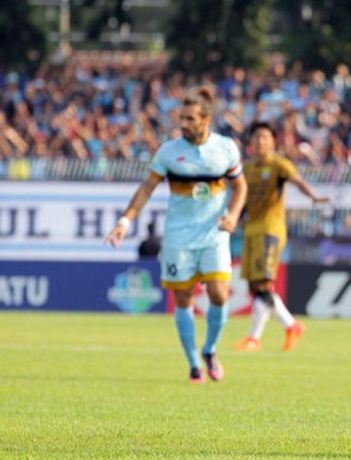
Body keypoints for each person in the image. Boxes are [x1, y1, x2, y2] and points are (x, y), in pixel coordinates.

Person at [105, 86, 247, 383]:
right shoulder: (169, 152)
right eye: (181, 118)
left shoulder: (225, 149)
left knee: (219, 293)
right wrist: (125, 221)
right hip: (179, 238)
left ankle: (210, 349)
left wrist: (233, 215)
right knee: (183, 298)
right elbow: (147, 188)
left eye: (190, 119)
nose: (183, 124)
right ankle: (194, 363)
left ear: (206, 119)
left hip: (214, 234)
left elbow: (240, 187)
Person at [234, 121, 329, 352]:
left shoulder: (279, 165)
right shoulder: (246, 169)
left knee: (265, 284)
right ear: (250, 143)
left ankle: (255, 338)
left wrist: (314, 197)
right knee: (256, 287)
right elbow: (240, 198)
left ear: (273, 141)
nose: (260, 142)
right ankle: (290, 326)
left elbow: (298, 182)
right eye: (256, 138)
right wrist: (234, 218)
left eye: (265, 137)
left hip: (270, 230)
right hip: (251, 231)